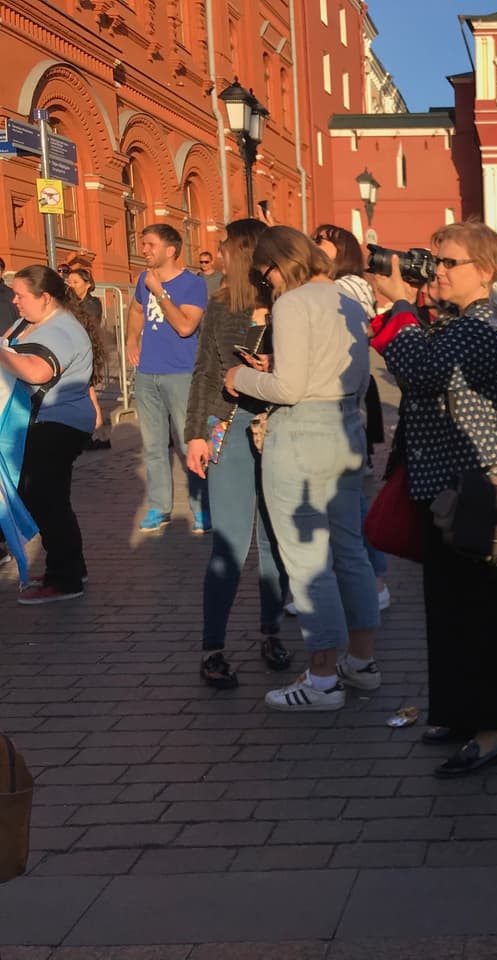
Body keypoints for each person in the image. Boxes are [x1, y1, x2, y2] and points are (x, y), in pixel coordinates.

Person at [368, 221, 497, 777]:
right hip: (444, 487)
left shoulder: (484, 327)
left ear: (486, 271)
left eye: (450, 262)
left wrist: (399, 306)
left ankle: (492, 731)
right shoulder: (457, 322)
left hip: (474, 490)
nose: (438, 271)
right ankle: (457, 713)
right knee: (447, 610)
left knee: (479, 615)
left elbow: (423, 371)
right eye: (436, 260)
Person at [227, 226, 381, 711]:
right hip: (345, 427)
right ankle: (361, 662)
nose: (266, 282)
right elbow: (354, 377)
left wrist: (241, 376)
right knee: (350, 552)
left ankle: (322, 678)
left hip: (300, 436)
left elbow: (289, 388)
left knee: (308, 561)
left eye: (265, 274)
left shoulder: (292, 304)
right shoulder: (349, 302)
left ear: (279, 264)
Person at [184, 218, 292, 689]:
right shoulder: (220, 303)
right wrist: (196, 434)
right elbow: (206, 372)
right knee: (228, 542)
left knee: (273, 541)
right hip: (227, 428)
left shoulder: (287, 303)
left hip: (278, 429)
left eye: (225, 245)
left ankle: (271, 632)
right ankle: (213, 647)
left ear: (245, 251)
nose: (219, 252)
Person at [0, 266, 95, 604]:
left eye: (21, 295)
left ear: (45, 297)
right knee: (49, 498)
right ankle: (69, 567)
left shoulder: (62, 329)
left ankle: (66, 579)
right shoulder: (28, 322)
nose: (15, 300)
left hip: (59, 424)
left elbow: (38, 371)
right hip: (38, 422)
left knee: (43, 497)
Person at [310, 223, 390, 609]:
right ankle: (365, 581)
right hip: (332, 401)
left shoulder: (349, 286)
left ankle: (374, 582)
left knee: (348, 503)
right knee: (343, 503)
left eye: (322, 241)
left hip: (340, 402)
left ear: (340, 249)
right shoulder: (329, 285)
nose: (314, 246)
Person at [126, 223, 210, 534]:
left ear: (171, 250)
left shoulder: (193, 284)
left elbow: (186, 326)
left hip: (181, 373)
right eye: (143, 243)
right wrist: (131, 340)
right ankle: (159, 507)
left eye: (150, 244)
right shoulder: (143, 279)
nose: (144, 250)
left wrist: (159, 291)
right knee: (153, 446)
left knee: (190, 444)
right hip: (147, 373)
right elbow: (136, 311)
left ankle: (202, 508)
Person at [65, 270, 110, 450]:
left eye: (75, 282)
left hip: (87, 352)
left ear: (87, 284)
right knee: (86, 394)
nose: (71, 285)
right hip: (75, 352)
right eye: (69, 281)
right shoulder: (70, 303)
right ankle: (97, 434)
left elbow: (87, 326)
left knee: (89, 394)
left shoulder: (92, 304)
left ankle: (99, 434)